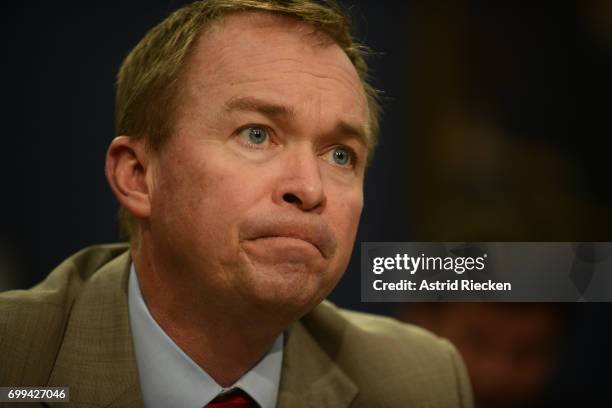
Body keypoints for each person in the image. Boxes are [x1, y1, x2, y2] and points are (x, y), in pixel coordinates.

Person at [0, 1, 473, 407]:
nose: (310, 188)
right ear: (139, 176)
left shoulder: (421, 382)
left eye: (340, 155)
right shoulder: (14, 360)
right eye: (257, 134)